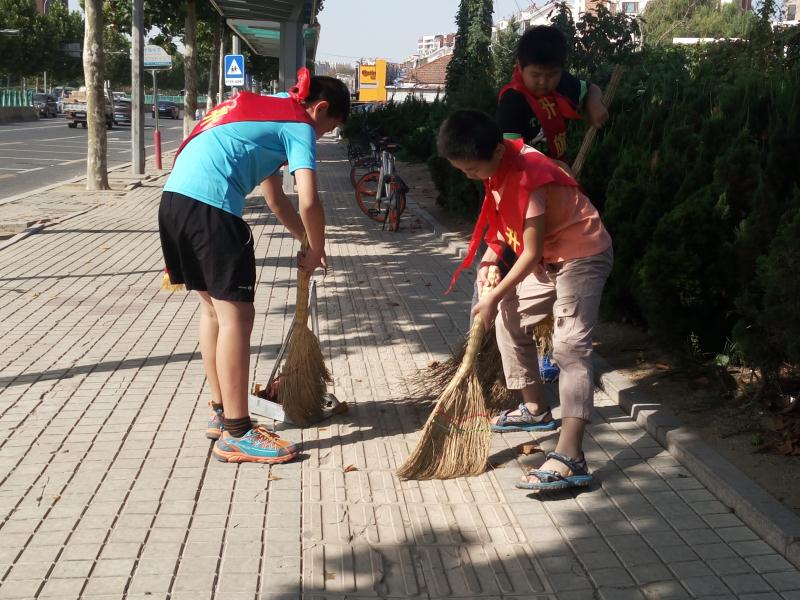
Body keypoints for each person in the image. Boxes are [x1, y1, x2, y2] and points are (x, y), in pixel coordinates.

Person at [158, 70, 350, 464]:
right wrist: (319, 247)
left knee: (213, 310)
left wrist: (305, 242)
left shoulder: (268, 108)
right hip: (211, 210)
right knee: (238, 318)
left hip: (175, 203)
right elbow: (309, 200)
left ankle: (220, 410)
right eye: (327, 129)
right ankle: (238, 432)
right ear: (321, 108)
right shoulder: (298, 124)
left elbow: (277, 199)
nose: (321, 138)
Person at [439, 110, 612, 491]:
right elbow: (503, 227)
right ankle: (536, 409)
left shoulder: (530, 175)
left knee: (570, 349)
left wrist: (491, 295)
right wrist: (489, 260)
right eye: (462, 171)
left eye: (471, 170)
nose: (469, 176)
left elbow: (529, 253)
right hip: (550, 257)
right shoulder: (498, 169)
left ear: (498, 151)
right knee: (508, 317)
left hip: (581, 256)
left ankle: (571, 456)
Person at [496, 25, 608, 160]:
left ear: (561, 69)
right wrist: (550, 170)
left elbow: (591, 89)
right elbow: (511, 153)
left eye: (551, 75)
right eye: (535, 75)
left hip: (559, 169)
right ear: (520, 67)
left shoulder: (562, 83)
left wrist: (594, 104)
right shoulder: (513, 100)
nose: (543, 82)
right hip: (525, 176)